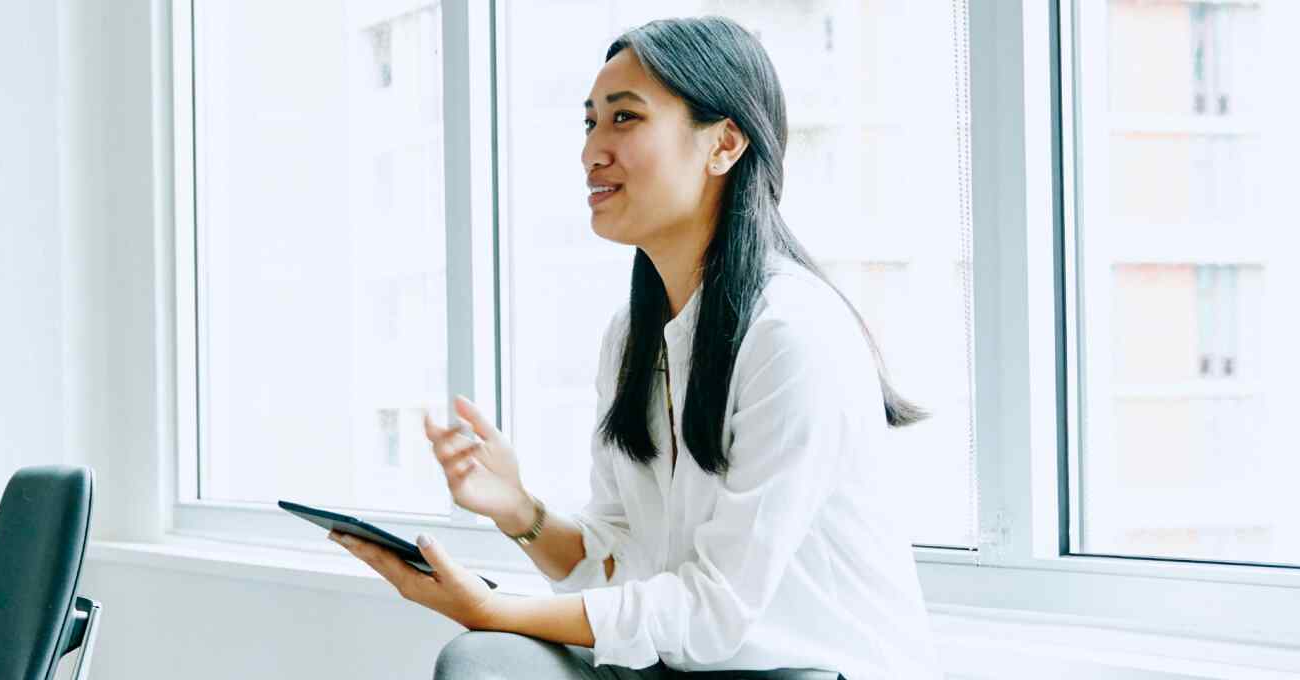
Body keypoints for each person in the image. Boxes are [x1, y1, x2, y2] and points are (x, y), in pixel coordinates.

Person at [329, 16, 939, 679]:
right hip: (686, 668)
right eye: (590, 123)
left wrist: (497, 607)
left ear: (724, 143)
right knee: (485, 661)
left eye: (625, 119)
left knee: (495, 639)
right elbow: (622, 564)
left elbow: (712, 609)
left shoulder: (794, 335)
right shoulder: (632, 335)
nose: (593, 151)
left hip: (813, 674)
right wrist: (520, 512)